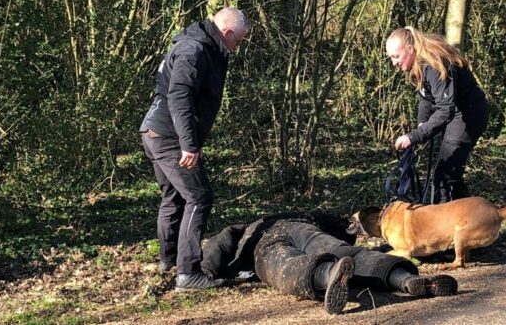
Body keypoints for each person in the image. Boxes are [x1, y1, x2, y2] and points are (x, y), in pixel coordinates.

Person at [139, 7, 250, 290]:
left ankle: (169, 259)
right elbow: (179, 97)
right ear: (226, 33)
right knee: (199, 197)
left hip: (155, 131)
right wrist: (189, 144)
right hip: (169, 136)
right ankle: (187, 273)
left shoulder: (196, 42)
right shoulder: (195, 50)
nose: (236, 48)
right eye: (237, 41)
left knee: (174, 196)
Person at [200, 212, 458, 314]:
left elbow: (220, 243)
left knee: (286, 267)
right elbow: (343, 228)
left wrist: (208, 272)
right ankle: (407, 279)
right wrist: (346, 237)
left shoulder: (245, 228)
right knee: (346, 252)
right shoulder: (298, 212)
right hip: (305, 227)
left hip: (266, 245)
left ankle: (328, 274)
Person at [386, 26, 488, 202]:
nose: (394, 63)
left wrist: (413, 137)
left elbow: (445, 110)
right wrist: (422, 123)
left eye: (396, 56)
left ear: (410, 49)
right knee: (450, 173)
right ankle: (471, 222)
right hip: (455, 114)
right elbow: (426, 97)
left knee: (443, 178)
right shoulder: (418, 65)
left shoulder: (434, 64)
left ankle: (442, 227)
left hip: (468, 115)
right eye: (391, 58)